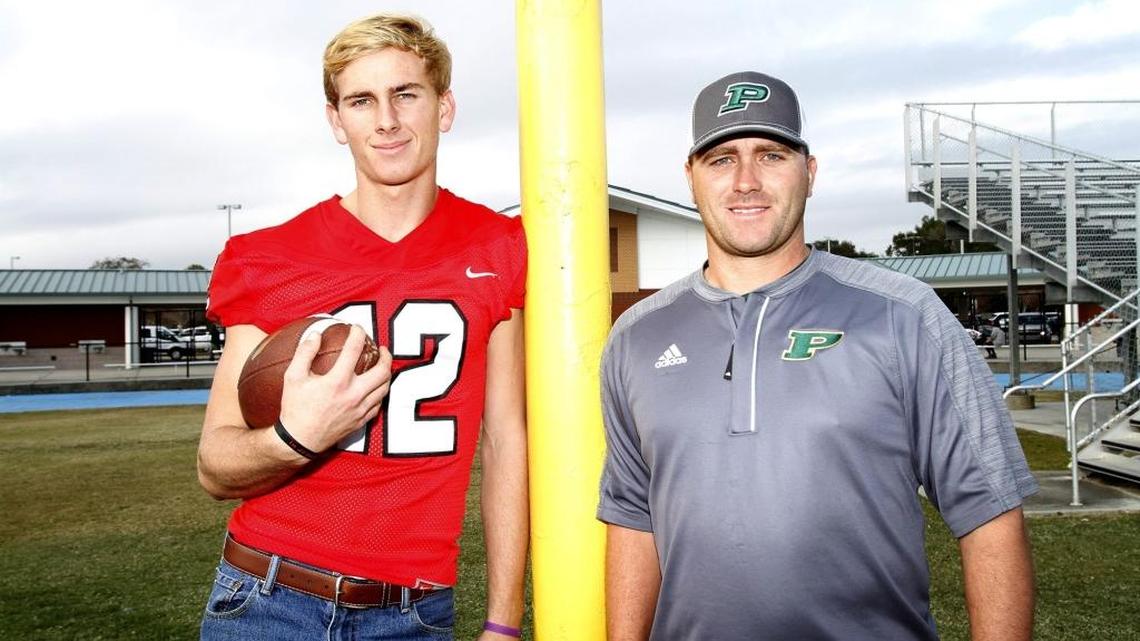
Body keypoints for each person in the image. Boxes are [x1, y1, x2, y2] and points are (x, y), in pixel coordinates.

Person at [597, 71, 1037, 640]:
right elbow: (633, 518)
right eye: (722, 159)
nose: (746, 181)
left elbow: (991, 514)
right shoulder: (637, 336)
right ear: (692, 178)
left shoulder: (904, 315)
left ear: (809, 172)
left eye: (771, 155)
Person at [197, 14, 528, 640]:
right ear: (336, 120)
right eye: (361, 100)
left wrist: (504, 622)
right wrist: (297, 436)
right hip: (267, 595)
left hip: (415, 609)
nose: (387, 120)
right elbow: (216, 465)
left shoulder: (498, 247)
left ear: (444, 106)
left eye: (406, 93)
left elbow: (506, 440)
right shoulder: (266, 257)